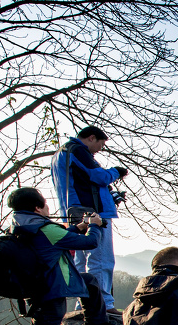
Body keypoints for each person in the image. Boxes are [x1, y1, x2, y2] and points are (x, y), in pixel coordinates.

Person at [8, 187, 111, 325]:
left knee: (89, 282)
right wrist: (94, 227)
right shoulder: (44, 227)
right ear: (37, 207)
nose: (48, 207)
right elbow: (90, 243)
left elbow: (57, 239)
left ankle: (96, 322)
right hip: (51, 290)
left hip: (41, 286)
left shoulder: (23, 225)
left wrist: (78, 227)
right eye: (45, 204)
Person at [50, 125, 128, 313]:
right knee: (100, 258)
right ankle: (103, 304)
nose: (100, 149)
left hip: (73, 212)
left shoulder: (60, 154)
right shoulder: (78, 150)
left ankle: (83, 304)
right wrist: (117, 171)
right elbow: (99, 176)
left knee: (80, 260)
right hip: (92, 213)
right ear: (92, 138)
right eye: (101, 144)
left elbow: (82, 180)